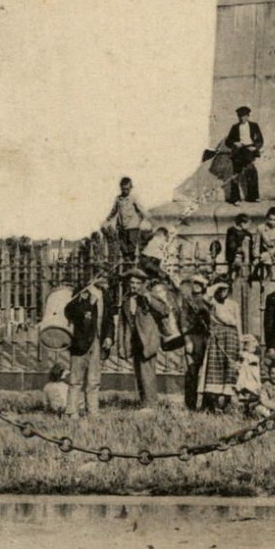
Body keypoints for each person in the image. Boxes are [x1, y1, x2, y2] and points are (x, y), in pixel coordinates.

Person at [117, 268, 170, 409]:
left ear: (142, 284)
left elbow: (165, 310)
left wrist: (150, 299)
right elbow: (122, 323)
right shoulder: (126, 300)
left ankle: (151, 404)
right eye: (131, 283)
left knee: (147, 372)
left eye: (136, 283)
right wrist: (121, 345)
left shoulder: (149, 296)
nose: (133, 286)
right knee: (139, 373)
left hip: (147, 339)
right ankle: (144, 402)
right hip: (134, 339)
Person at [64, 274, 115, 417]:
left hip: (98, 342)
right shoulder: (82, 291)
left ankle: (93, 412)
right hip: (81, 343)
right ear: (94, 276)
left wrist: (109, 337)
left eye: (106, 276)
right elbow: (70, 312)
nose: (105, 279)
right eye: (102, 276)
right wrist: (88, 303)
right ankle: (71, 412)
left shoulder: (105, 295)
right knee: (76, 380)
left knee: (94, 380)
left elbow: (109, 319)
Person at [201, 279, 242, 411]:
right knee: (215, 366)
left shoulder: (233, 304)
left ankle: (226, 403)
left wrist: (240, 341)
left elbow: (238, 323)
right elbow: (205, 296)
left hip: (231, 336)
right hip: (217, 336)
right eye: (220, 289)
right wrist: (217, 284)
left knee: (229, 367)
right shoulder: (213, 303)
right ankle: (212, 404)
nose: (223, 292)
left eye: (225, 289)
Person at [179, 274, 211, 411]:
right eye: (194, 283)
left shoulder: (208, 300)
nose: (196, 286)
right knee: (192, 371)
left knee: (209, 372)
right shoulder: (187, 300)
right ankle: (190, 404)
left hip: (207, 337)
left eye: (199, 283)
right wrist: (187, 341)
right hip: (193, 337)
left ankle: (207, 405)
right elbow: (183, 321)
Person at [104, 177, 151, 263]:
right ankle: (127, 264)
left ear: (131, 188)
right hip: (122, 227)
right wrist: (107, 220)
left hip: (132, 226)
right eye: (123, 189)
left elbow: (141, 209)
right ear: (120, 188)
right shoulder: (118, 199)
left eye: (127, 189)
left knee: (132, 247)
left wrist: (148, 218)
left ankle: (132, 264)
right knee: (123, 247)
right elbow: (113, 211)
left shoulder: (133, 198)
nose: (125, 191)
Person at [225, 106, 264, 204]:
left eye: (244, 116)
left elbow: (260, 140)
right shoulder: (235, 127)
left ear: (248, 116)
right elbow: (228, 141)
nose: (242, 118)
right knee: (235, 174)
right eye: (240, 116)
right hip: (238, 151)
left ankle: (253, 197)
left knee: (252, 172)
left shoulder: (254, 126)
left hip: (249, 150)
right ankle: (235, 199)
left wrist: (255, 147)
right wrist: (234, 143)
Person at [235, 334, 263, 413]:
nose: (256, 344)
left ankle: (247, 410)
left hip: (250, 379)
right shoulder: (249, 357)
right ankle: (244, 410)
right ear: (246, 345)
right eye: (253, 342)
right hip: (247, 379)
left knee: (250, 396)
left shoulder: (251, 357)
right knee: (247, 395)